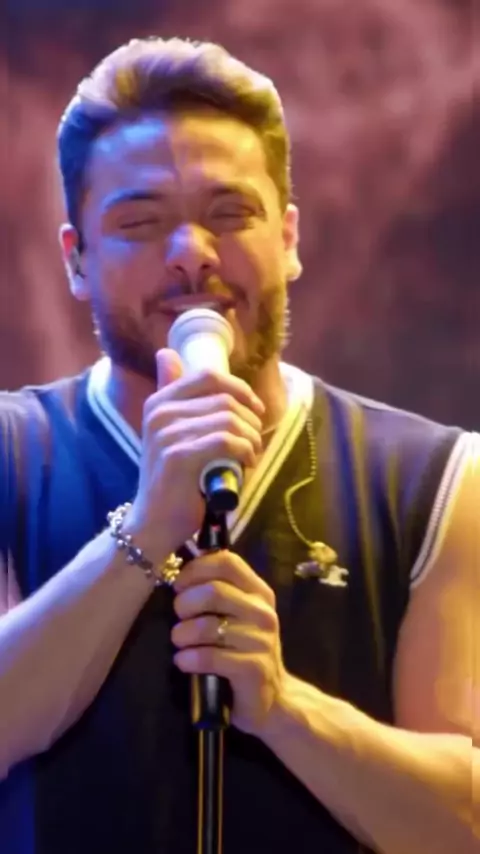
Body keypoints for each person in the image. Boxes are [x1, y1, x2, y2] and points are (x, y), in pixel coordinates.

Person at [0, 36, 476, 854]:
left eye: (230, 213)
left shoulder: (433, 481)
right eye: (141, 222)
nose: (191, 253)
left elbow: (464, 822)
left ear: (287, 239)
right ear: (76, 260)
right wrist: (146, 530)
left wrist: (287, 709)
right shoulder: (16, 452)